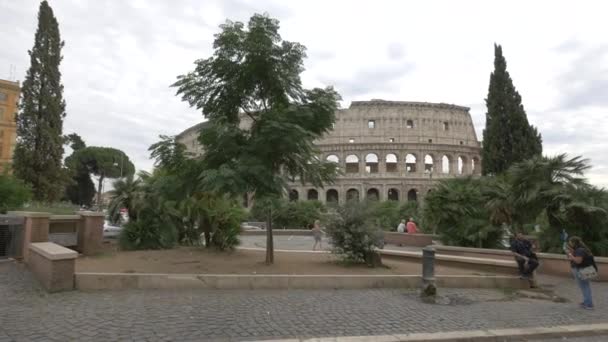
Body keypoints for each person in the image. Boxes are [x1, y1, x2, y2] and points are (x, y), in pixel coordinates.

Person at [567, 236, 598, 310]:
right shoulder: (581, 249)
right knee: (584, 286)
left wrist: (571, 256)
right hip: (582, 269)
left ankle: (589, 304)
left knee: (585, 286)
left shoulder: (580, 250)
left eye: (570, 242)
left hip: (581, 270)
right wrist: (571, 253)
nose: (569, 243)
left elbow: (578, 261)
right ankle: (587, 302)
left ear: (574, 243)